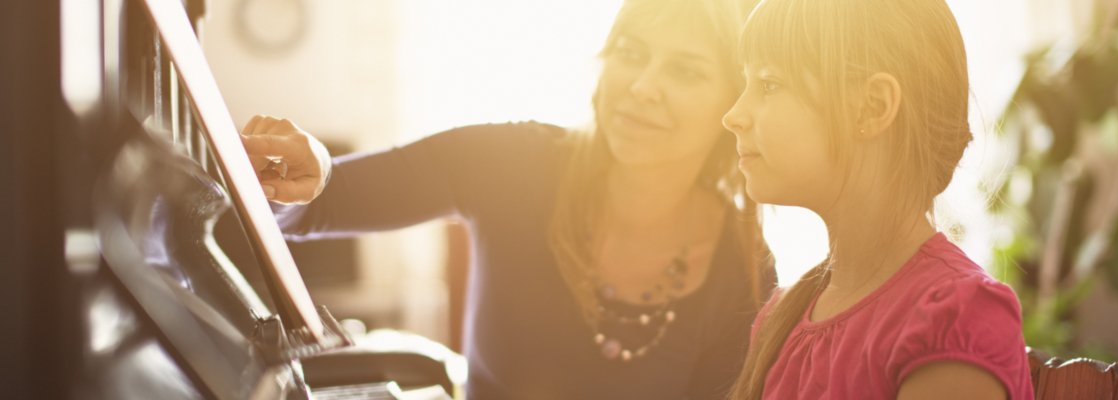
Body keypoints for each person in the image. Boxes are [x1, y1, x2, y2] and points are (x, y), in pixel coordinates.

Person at [239, 0, 773, 398]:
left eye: (685, 70)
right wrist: (297, 174)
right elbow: (325, 201)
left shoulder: (746, 272)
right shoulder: (511, 160)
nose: (643, 86)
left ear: (735, 104)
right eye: (632, 54)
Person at [720, 0, 1034, 398]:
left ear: (872, 107)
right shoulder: (781, 317)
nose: (733, 114)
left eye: (768, 84)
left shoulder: (954, 317)